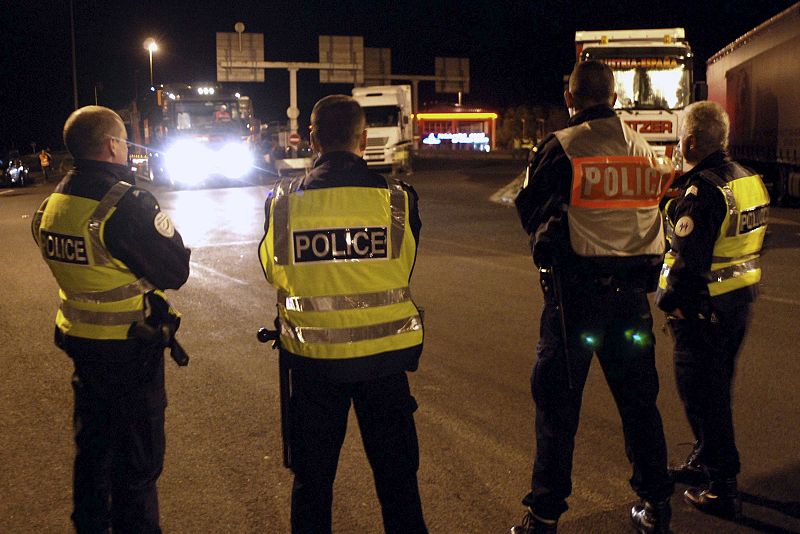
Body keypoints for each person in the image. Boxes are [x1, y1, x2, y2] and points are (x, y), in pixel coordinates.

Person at [510, 61, 675, 534]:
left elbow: (530, 213)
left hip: (575, 302)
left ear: (570, 98)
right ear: (615, 96)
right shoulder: (645, 150)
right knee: (640, 404)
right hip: (632, 304)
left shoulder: (562, 147)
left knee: (558, 411)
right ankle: (655, 504)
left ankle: (544, 516)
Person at [258, 95, 427, 534]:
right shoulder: (398, 200)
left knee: (313, 488)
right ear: (364, 139)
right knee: (398, 486)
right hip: (385, 367)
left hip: (313, 370)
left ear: (312, 139)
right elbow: (404, 264)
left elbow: (272, 272)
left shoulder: (282, 203)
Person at [31, 105, 191, 533]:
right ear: (112, 145)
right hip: (130, 351)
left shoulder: (52, 204)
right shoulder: (124, 203)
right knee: (137, 470)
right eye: (123, 141)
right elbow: (175, 271)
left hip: (81, 347)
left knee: (92, 455)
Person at [656, 101, 769, 520]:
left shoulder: (701, 190)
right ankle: (705, 457)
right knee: (715, 389)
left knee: (705, 397)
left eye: (680, 136)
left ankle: (722, 485)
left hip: (702, 311)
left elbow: (686, 262)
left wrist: (673, 306)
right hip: (737, 305)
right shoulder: (748, 180)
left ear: (689, 141)